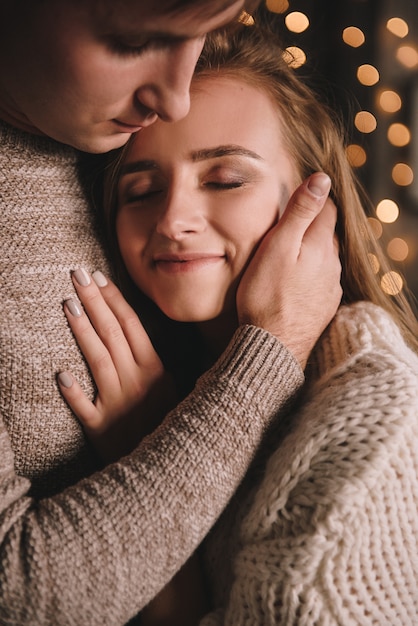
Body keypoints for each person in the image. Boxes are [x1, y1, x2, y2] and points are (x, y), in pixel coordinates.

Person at [58, 24, 418, 625]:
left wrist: (147, 472)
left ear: (315, 206)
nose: (173, 219)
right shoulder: (163, 369)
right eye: (141, 190)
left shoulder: (375, 424)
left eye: (225, 180)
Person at [0, 1, 342, 624]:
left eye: (198, 36)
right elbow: (17, 595)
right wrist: (268, 357)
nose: (176, 98)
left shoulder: (94, 124)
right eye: (135, 42)